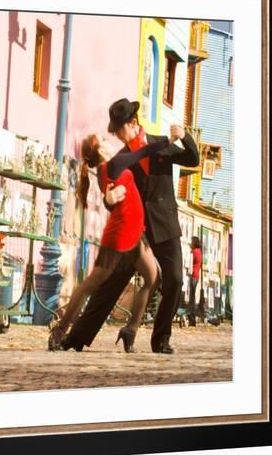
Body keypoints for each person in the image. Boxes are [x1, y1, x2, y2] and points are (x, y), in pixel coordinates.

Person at [62, 98, 200, 354]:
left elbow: (193, 159)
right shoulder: (122, 157)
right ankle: (75, 338)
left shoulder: (161, 144)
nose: (116, 136)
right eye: (113, 132)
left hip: (166, 225)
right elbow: (111, 192)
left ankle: (160, 339)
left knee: (174, 280)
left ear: (133, 123)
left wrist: (184, 136)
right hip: (137, 231)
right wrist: (107, 200)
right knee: (113, 283)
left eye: (119, 130)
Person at [48, 131, 175, 353]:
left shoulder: (105, 170)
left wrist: (110, 199)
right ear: (101, 151)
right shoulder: (113, 165)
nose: (109, 142)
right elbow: (144, 151)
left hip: (134, 233)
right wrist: (168, 141)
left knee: (152, 278)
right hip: (121, 235)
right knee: (92, 283)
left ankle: (130, 330)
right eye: (104, 142)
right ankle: (60, 329)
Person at [187, 236, 202, 327]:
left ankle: (192, 317)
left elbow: (190, 261)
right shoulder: (199, 251)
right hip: (196, 275)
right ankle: (192, 317)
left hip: (193, 275)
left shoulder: (194, 251)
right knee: (192, 296)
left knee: (191, 297)